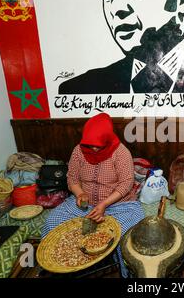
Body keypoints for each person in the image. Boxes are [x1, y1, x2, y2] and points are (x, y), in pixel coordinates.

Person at [41, 113, 145, 277]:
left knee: (124, 237)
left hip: (119, 206)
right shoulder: (79, 151)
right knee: (51, 223)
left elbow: (126, 183)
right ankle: (68, 265)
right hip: (84, 206)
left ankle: (126, 274)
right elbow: (72, 178)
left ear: (108, 139)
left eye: (99, 146)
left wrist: (104, 204)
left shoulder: (121, 152)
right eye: (90, 145)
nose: (94, 149)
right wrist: (80, 193)